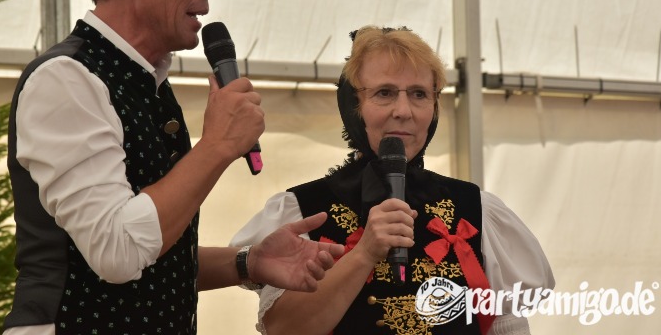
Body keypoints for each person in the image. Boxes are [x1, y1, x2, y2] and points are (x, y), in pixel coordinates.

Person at [3, 0, 343, 335]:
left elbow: (148, 255)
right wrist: (217, 146)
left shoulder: (147, 84)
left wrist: (247, 262)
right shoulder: (66, 79)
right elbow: (118, 253)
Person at [231, 26, 555, 335]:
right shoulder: (304, 210)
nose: (404, 110)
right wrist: (364, 254)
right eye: (384, 93)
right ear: (353, 106)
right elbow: (283, 329)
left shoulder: (475, 208)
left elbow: (506, 326)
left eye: (419, 94)